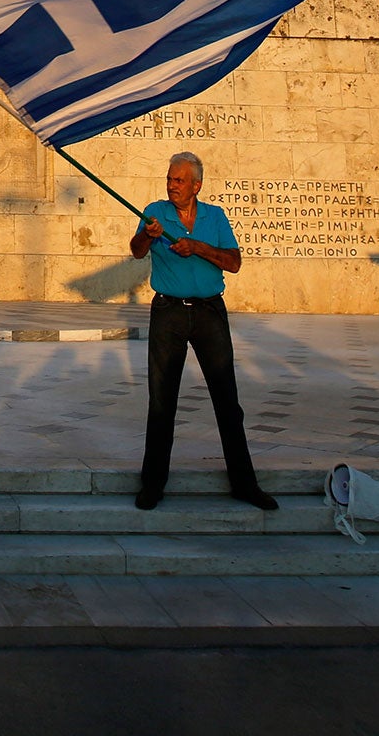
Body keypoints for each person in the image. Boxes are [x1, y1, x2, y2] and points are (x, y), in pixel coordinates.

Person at [128, 151, 276, 512]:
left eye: (179, 180)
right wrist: (148, 237)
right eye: (169, 179)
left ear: (197, 185)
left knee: (227, 399)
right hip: (169, 312)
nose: (172, 185)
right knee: (162, 401)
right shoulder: (155, 213)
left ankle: (244, 483)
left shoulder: (215, 217)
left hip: (210, 311)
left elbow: (234, 262)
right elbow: (135, 251)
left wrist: (196, 247)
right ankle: (153, 484)